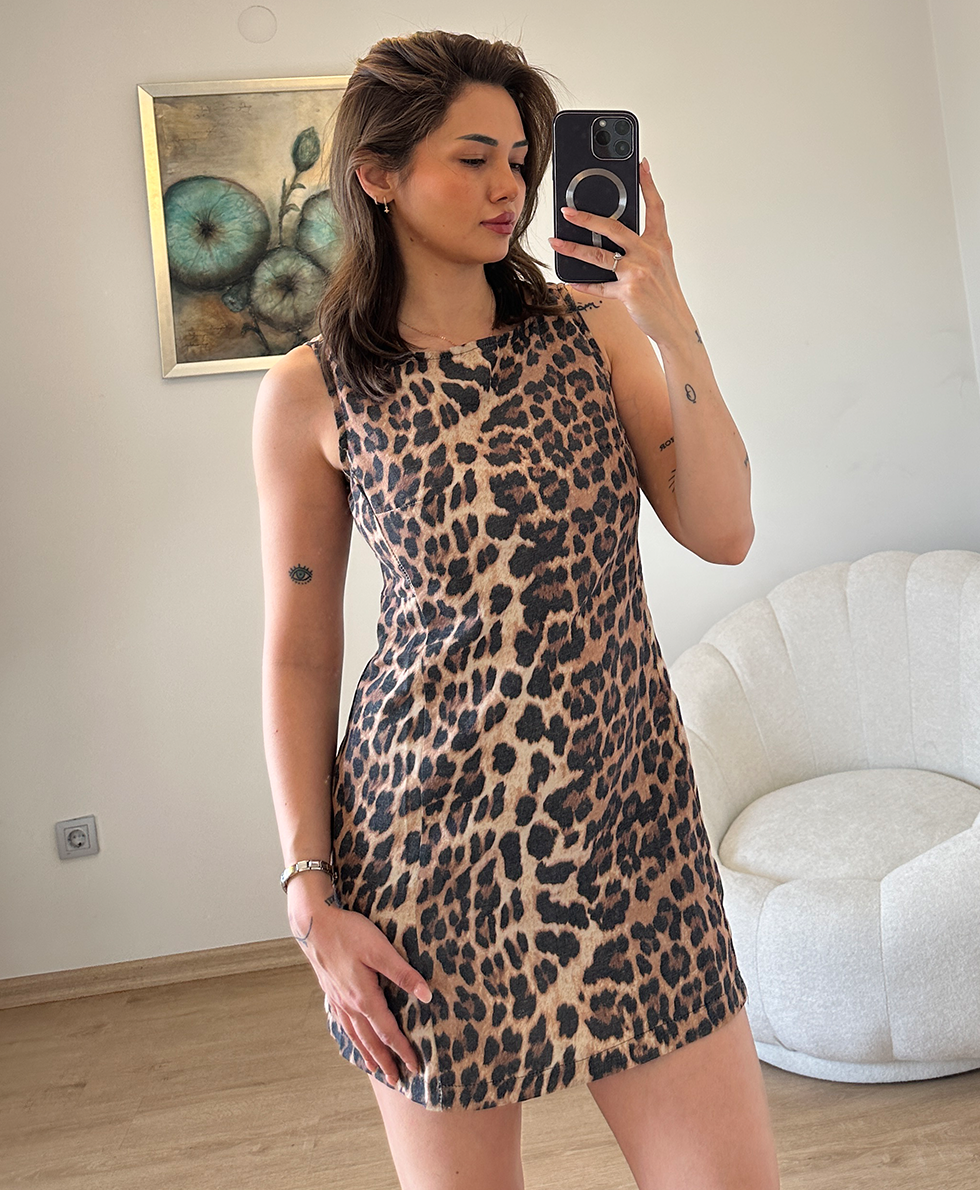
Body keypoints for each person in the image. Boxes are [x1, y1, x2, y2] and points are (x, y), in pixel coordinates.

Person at [252, 28, 780, 1190]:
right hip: (424, 854)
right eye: (473, 157)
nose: (510, 185)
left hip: (631, 838)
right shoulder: (311, 390)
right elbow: (299, 650)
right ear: (377, 174)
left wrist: (667, 314)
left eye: (519, 158)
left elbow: (724, 529)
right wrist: (309, 889)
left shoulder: (592, 336)